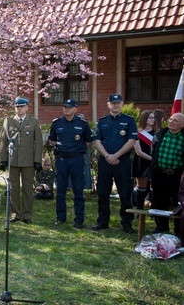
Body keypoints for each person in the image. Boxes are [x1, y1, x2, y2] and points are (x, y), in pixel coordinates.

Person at [92, 94, 137, 232]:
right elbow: (97, 141)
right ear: (108, 105)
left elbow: (131, 141)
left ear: (122, 104)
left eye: (118, 103)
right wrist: (107, 156)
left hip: (122, 161)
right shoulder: (102, 121)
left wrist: (116, 155)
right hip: (105, 161)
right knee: (103, 192)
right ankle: (103, 221)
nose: (115, 105)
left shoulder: (129, 121)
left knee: (125, 193)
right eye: (113, 103)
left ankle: (127, 223)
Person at [48, 99, 93, 229]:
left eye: (69, 107)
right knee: (60, 190)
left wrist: (75, 149)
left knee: (78, 190)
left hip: (76, 159)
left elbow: (89, 142)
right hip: (62, 159)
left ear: (75, 109)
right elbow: (52, 141)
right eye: (65, 107)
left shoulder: (83, 124)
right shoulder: (57, 123)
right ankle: (60, 218)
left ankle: (79, 219)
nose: (66, 109)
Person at [0, 97, 43, 224]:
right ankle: (15, 213)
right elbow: (3, 141)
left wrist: (38, 160)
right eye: (17, 106)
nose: (19, 109)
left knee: (28, 188)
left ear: (27, 108)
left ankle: (27, 214)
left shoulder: (33, 122)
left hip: (28, 161)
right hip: (13, 160)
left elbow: (38, 143)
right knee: (13, 188)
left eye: (22, 106)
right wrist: (3, 159)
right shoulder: (8, 121)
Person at [149, 112, 184, 233]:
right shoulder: (160, 134)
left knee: (177, 203)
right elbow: (153, 153)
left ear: (182, 124)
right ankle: (161, 227)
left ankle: (178, 229)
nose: (171, 122)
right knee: (158, 201)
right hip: (159, 174)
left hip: (176, 175)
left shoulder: (183, 137)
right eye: (170, 119)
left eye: (175, 121)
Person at [133, 110, 160, 210]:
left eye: (154, 118)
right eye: (150, 117)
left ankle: (154, 209)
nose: (152, 120)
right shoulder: (137, 133)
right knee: (141, 188)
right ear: (144, 118)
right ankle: (139, 210)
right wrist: (152, 159)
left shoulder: (158, 133)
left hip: (156, 164)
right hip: (142, 163)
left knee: (154, 187)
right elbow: (138, 151)